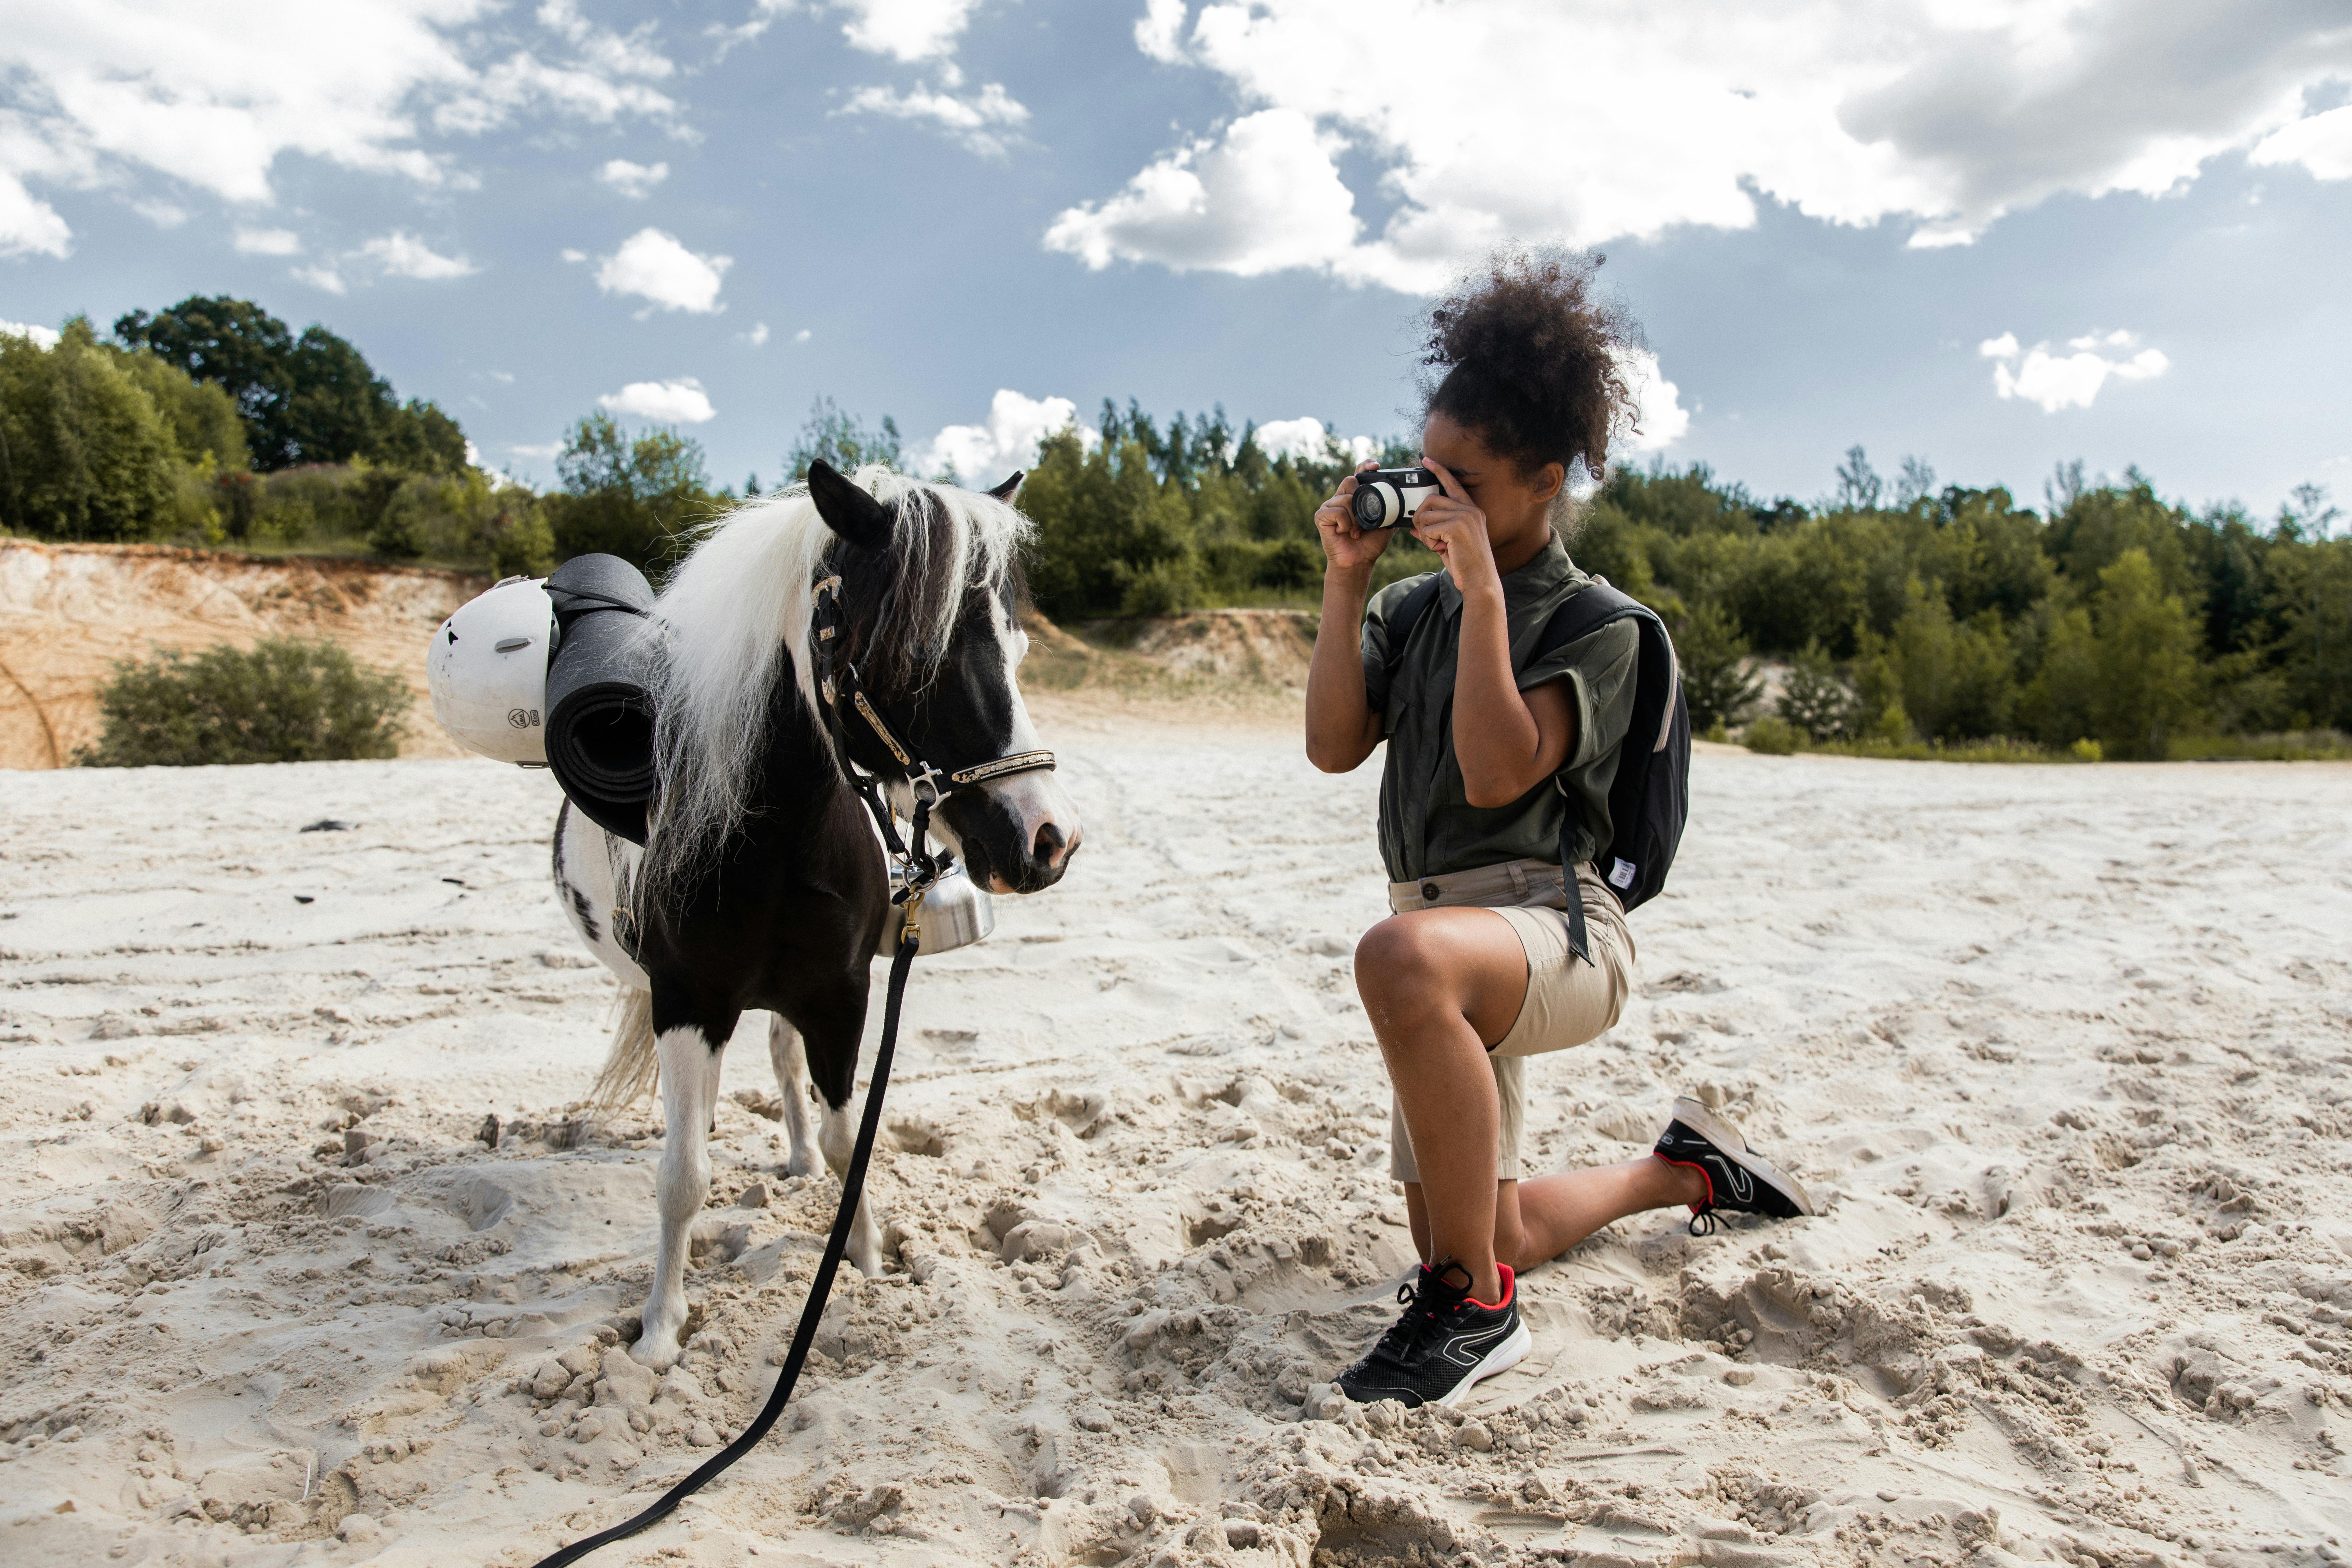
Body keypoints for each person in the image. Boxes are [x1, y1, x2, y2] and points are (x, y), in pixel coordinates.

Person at [1303, 251, 1813, 1410]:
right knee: (1489, 1226)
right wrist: (1347, 584)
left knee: (1400, 966)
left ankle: (1477, 1321)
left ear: (1543, 482)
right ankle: (1681, 1171)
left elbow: (1496, 776)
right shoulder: (1407, 606)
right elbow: (1335, 746)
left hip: (1558, 929)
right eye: (1425, 473)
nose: (1436, 503)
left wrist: (1486, 597)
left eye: (1465, 485)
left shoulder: (1601, 625)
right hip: (1448, 945)